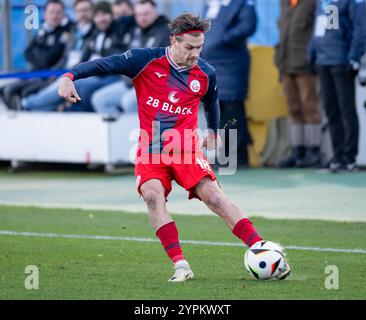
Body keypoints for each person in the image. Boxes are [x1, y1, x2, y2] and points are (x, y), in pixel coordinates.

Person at [58, 13, 291, 282]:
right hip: (151, 149)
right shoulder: (143, 60)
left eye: (199, 47)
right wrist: (69, 75)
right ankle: (181, 265)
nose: (195, 54)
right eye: (189, 47)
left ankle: (262, 250)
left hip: (186, 148)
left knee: (214, 197)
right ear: (174, 40)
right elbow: (102, 65)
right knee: (152, 197)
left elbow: (212, 102)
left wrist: (214, 131)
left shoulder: (205, 73)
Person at [308, 0, 366, 172]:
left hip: (341, 61)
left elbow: (360, 27)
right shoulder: (322, 2)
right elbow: (317, 31)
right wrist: (311, 54)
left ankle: (349, 158)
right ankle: (338, 156)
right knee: (331, 110)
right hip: (323, 61)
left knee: (346, 110)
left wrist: (354, 56)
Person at [91, 0, 171, 118]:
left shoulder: (165, 33)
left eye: (146, 14)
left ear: (156, 13)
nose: (142, 18)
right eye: (138, 15)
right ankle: (122, 133)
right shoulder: (137, 31)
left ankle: (148, 134)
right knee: (100, 99)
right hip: (131, 83)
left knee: (129, 101)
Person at [201, 0, 257, 168]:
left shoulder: (242, 3)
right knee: (218, 110)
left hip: (232, 63)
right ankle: (224, 155)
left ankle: (238, 156)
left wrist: (223, 39)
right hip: (212, 63)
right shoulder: (210, 4)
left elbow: (248, 26)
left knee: (233, 109)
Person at [21, 0, 95, 112]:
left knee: (34, 100)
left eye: (86, 10)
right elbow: (28, 52)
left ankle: (28, 103)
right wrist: (54, 72)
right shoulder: (73, 31)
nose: (83, 14)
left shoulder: (94, 31)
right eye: (79, 11)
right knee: (42, 107)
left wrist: (69, 73)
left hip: (76, 75)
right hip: (61, 73)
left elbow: (47, 59)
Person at [0, 0, 72, 110]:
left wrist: (39, 53)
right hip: (34, 74)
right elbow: (28, 52)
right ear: (45, 14)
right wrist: (42, 55)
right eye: (51, 12)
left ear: (63, 14)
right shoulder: (43, 31)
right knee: (5, 90)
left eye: (58, 12)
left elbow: (48, 59)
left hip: (48, 78)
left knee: (25, 92)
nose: (54, 16)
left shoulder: (67, 31)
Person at [275, 0, 322, 168]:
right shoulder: (284, 3)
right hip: (286, 65)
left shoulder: (312, 3)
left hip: (305, 65)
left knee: (310, 107)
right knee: (293, 109)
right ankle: (298, 151)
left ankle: (314, 151)